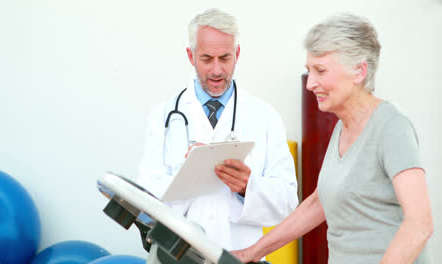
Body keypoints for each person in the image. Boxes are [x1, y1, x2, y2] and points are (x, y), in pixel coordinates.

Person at [232, 13, 433, 263]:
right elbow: (319, 202)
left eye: (321, 71)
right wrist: (251, 253)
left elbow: (420, 224)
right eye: (309, 71)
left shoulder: (392, 126)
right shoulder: (342, 127)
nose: (310, 83)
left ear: (359, 71)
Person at [137, 7, 298, 254]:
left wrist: (248, 187)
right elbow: (145, 201)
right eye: (206, 59)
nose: (216, 70)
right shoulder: (163, 116)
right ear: (191, 56)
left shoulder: (265, 117)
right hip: (176, 256)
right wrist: (189, 172)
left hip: (239, 255)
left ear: (237, 54)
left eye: (224, 58)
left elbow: (287, 202)